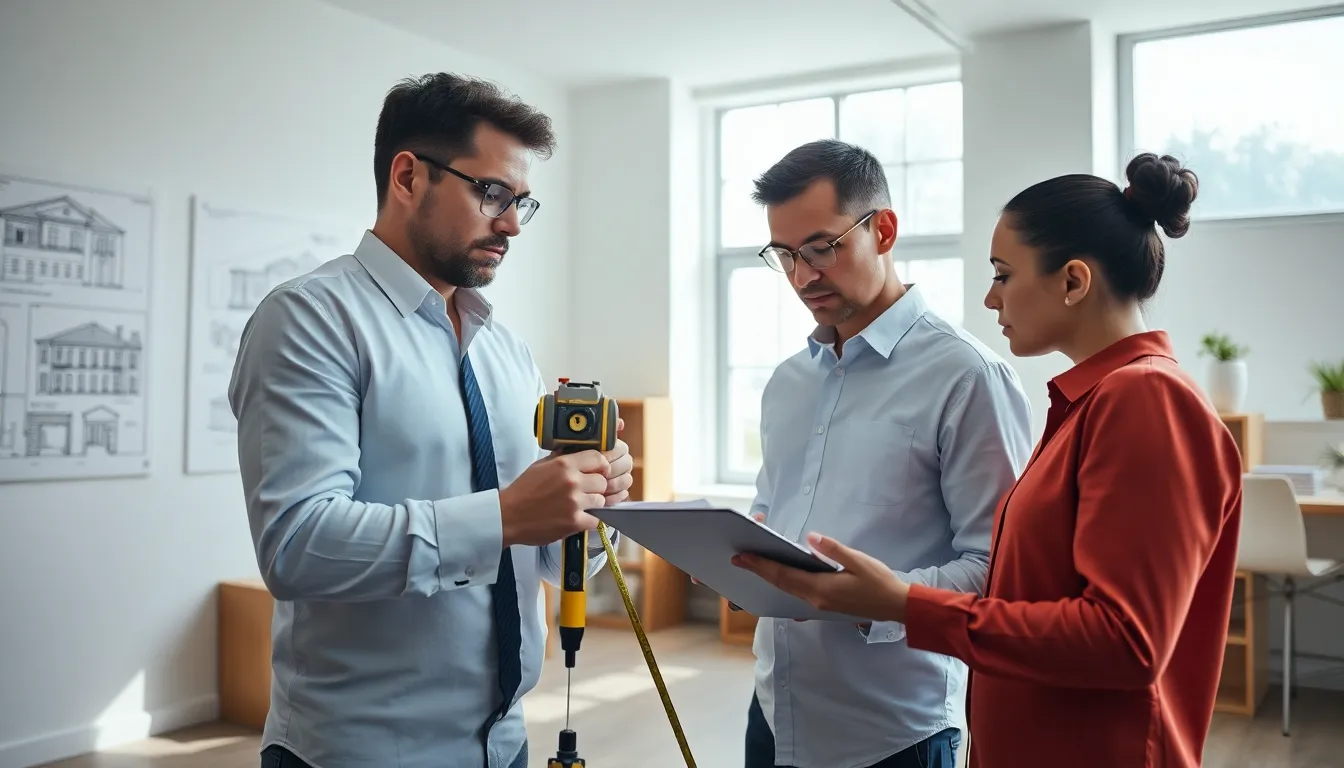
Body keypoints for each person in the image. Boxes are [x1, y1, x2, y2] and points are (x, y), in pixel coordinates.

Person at [733, 153, 1245, 768]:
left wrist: (900, 603)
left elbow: (1123, 639)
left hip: (918, 732)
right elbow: (1032, 590)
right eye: (784, 255)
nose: (990, 296)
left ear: (1074, 281)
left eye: (1003, 274)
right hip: (796, 709)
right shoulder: (1087, 401)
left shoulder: (1144, 399)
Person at [229, 73, 632, 768]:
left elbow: (536, 549)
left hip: (504, 743)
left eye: (521, 203)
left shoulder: (509, 352)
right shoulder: (309, 321)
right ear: (409, 176)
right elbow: (297, 545)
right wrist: (504, 513)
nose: (510, 223)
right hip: (359, 752)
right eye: (492, 194)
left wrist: (591, 507)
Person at [733, 139, 1034, 768]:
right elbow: (773, 510)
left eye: (821, 248)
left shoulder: (968, 378)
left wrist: (878, 598)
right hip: (774, 714)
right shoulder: (787, 382)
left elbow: (1002, 573)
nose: (802, 276)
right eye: (785, 255)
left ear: (884, 230)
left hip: (897, 734)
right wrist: (741, 564)